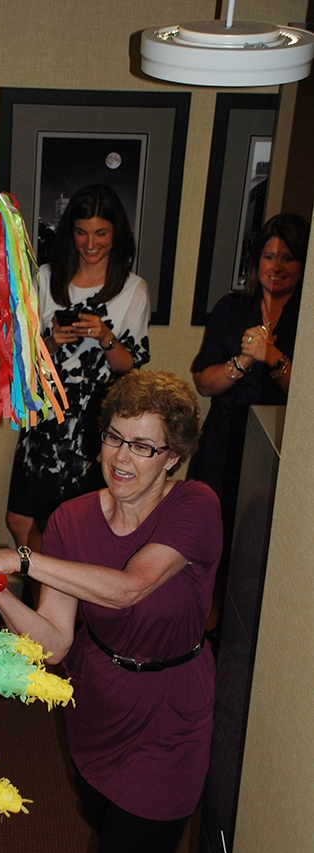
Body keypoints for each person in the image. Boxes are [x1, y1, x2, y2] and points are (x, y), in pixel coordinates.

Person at [0, 369, 222, 853]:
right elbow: (55, 644)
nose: (121, 458)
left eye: (143, 446)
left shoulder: (195, 506)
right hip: (98, 706)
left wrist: (23, 559)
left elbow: (129, 589)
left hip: (170, 714)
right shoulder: (71, 519)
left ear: (172, 456)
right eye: (114, 437)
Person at [6, 184, 150, 552]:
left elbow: (129, 365)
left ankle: (61, 601)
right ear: (70, 232)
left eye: (101, 233)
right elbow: (23, 358)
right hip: (46, 412)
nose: (91, 243)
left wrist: (104, 335)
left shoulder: (132, 289)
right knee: (20, 518)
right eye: (82, 232)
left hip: (95, 419)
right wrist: (53, 340)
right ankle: (48, 597)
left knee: (76, 525)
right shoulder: (45, 277)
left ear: (116, 235)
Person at [187, 213, 310, 614]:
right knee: (207, 537)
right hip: (223, 438)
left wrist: (270, 354)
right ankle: (202, 621)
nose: (276, 267)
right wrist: (242, 360)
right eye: (268, 256)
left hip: (278, 444)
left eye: (288, 258)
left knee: (258, 543)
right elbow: (204, 383)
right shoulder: (232, 307)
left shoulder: (306, 317)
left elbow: (306, 396)